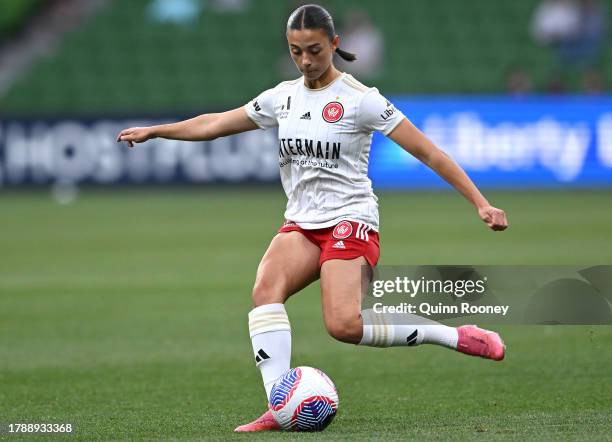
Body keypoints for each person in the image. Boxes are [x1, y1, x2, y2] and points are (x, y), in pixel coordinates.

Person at [117, 4, 509, 433]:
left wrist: (480, 202)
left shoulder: (362, 101)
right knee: (265, 291)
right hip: (303, 222)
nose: (306, 61)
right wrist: (156, 130)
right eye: (296, 51)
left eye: (315, 51)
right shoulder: (282, 97)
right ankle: (280, 404)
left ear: (335, 45)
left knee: (342, 325)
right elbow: (213, 124)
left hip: (352, 220)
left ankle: (452, 335)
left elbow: (428, 151)